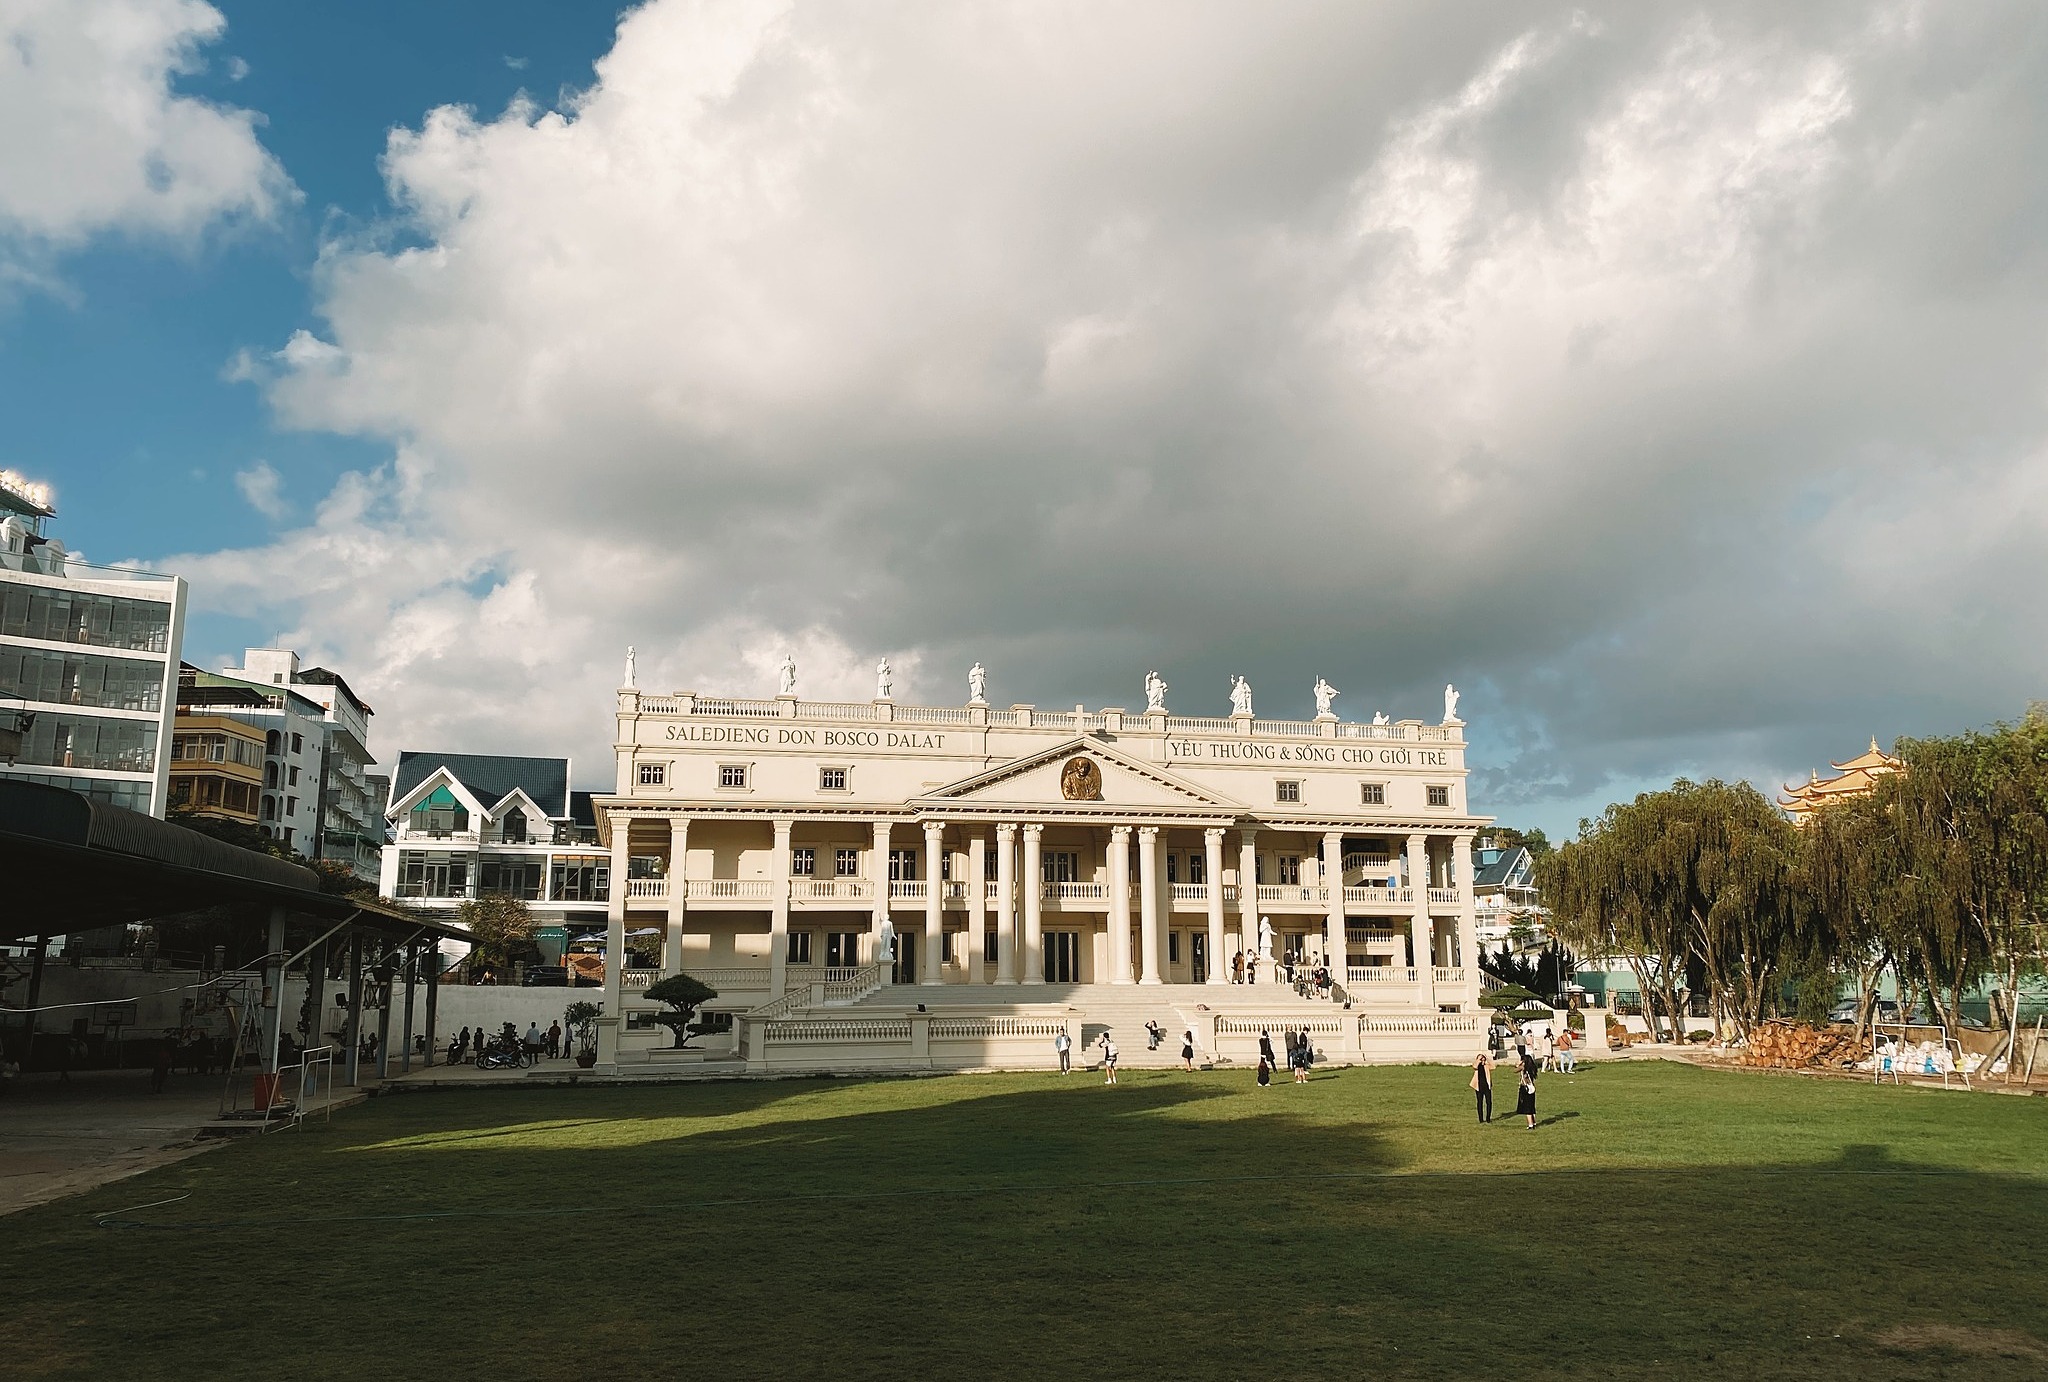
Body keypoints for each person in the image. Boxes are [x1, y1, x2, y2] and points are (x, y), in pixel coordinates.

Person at [1517, 1049, 1540, 1129]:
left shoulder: (1523, 1068)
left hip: (1525, 1088)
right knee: (1531, 1105)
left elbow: (1515, 1070)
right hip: (1532, 1088)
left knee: (1527, 1108)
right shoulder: (1532, 1068)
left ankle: (1530, 1124)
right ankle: (1534, 1122)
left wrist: (1518, 1064)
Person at [1470, 1051, 1494, 1124]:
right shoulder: (1477, 1066)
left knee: (1489, 1102)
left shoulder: (1486, 1066)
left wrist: (1487, 1059)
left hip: (1487, 1086)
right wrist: (1478, 1060)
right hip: (1479, 1086)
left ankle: (1488, 1118)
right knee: (1479, 1102)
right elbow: (1474, 1066)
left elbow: (1493, 1067)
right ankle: (1481, 1119)